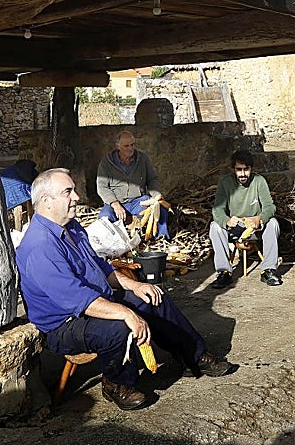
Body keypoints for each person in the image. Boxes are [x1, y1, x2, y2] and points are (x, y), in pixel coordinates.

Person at [17, 168, 234, 410]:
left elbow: (101, 267)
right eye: (68, 192)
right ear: (46, 201)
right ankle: (116, 383)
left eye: (74, 190)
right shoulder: (41, 246)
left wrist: (136, 285)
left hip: (95, 299)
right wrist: (128, 313)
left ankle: (193, 355)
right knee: (118, 327)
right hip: (65, 324)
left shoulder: (72, 227)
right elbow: (78, 300)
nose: (76, 197)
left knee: (153, 297)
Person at [208, 150, 282, 288]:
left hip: (254, 226)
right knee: (215, 226)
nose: (242, 174)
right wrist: (227, 221)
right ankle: (224, 272)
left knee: (273, 223)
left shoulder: (259, 181)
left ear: (251, 169)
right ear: (233, 170)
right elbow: (217, 209)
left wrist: (260, 218)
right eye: (239, 170)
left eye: (246, 169)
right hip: (235, 225)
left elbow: (269, 206)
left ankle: (268, 270)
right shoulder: (225, 183)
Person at [96, 130, 168, 238]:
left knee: (160, 209)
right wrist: (114, 204)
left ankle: (161, 238)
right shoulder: (107, 162)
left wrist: (157, 196)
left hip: (138, 201)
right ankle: (110, 246)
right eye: (126, 146)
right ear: (118, 146)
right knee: (104, 218)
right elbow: (102, 187)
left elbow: (152, 179)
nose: (130, 149)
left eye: (132, 145)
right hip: (116, 201)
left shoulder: (142, 159)